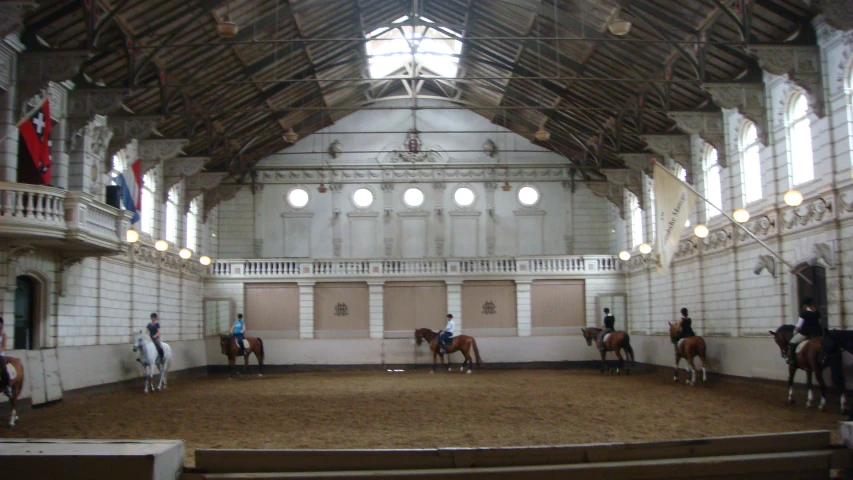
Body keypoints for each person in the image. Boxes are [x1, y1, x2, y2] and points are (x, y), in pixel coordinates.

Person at [787, 296, 822, 365]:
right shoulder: (817, 313)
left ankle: (792, 359)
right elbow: (820, 323)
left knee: (792, 342)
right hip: (817, 333)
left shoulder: (804, 314)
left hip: (806, 333)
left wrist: (795, 332)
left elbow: (799, 326)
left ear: (805, 305)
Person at [0, 317, 10, 397]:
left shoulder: (4, 335)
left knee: (3, 369)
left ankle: (7, 386)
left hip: (0, 355)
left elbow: (4, 346)